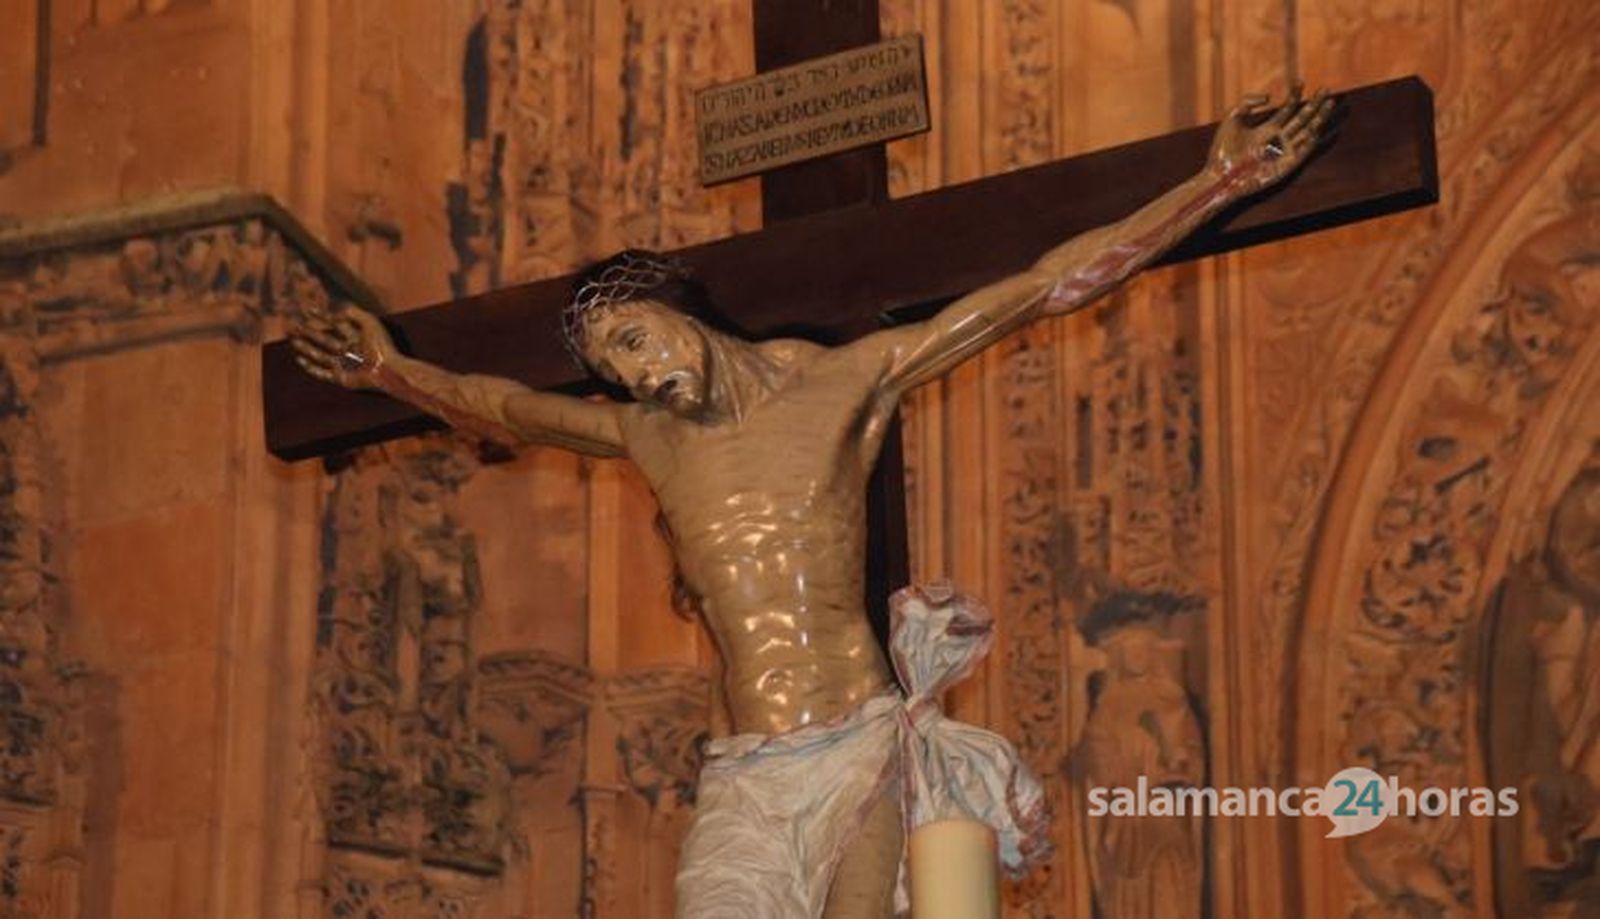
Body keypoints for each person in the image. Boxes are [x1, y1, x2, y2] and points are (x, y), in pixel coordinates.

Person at [292, 88, 1332, 919]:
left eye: (636, 340)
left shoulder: (845, 379)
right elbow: (503, 406)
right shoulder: (645, 436)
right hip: (747, 768)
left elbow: (1041, 285)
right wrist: (390, 375)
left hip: (855, 735)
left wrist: (1219, 180)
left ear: (676, 307)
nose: (638, 377)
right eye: (613, 370)